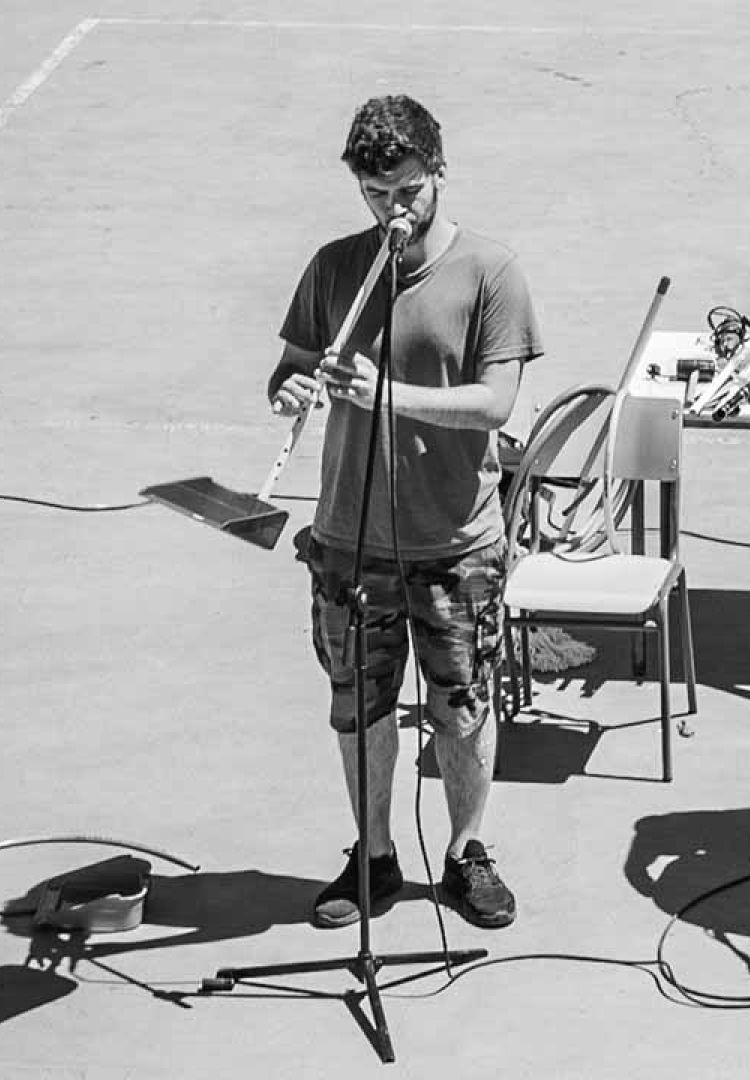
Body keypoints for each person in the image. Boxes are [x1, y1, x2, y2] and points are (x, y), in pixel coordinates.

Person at [268, 95, 542, 928]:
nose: (394, 210)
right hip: (350, 540)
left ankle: (465, 852)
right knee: (359, 709)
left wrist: (392, 395)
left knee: (462, 709)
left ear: (439, 173)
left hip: (456, 540)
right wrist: (290, 389)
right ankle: (375, 853)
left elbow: (495, 404)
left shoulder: (489, 273)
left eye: (409, 191)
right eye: (375, 194)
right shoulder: (333, 268)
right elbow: (290, 365)